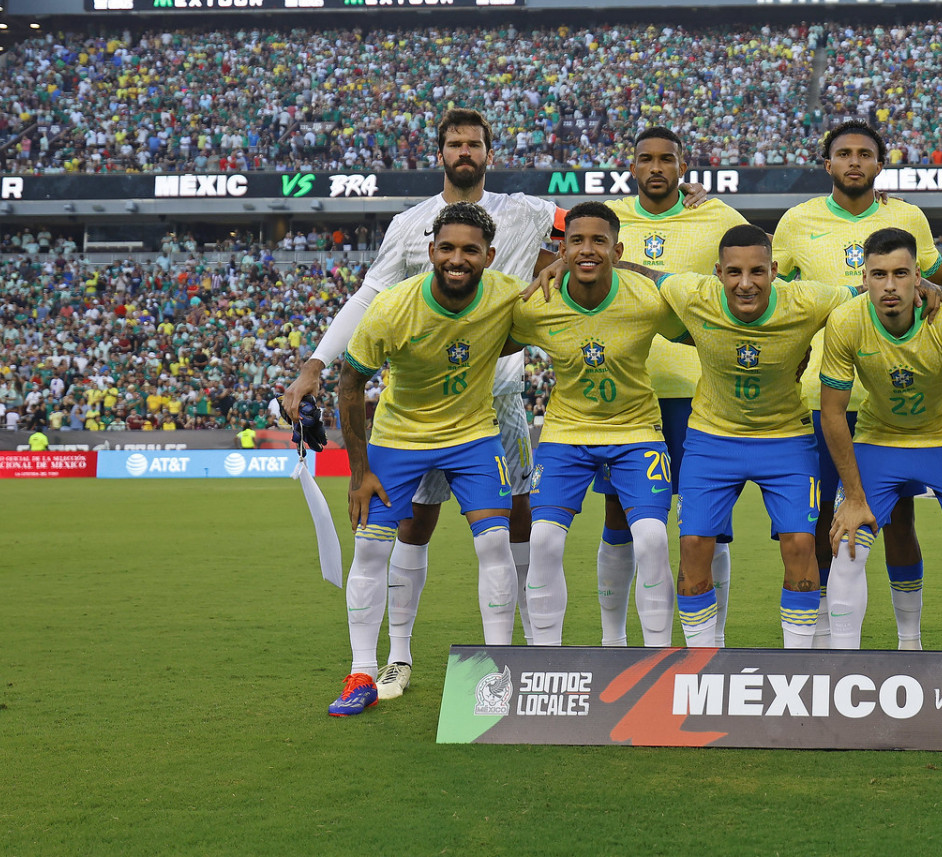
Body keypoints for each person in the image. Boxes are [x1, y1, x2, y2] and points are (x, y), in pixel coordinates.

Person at [283, 108, 560, 702]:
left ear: (489, 152)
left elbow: (596, 228)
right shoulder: (410, 225)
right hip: (419, 403)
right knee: (414, 526)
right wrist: (315, 364)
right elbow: (371, 296)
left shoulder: (529, 211)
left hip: (500, 395)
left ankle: (514, 659)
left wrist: (682, 205)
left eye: (475, 144)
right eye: (455, 143)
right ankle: (398, 659)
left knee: (515, 523)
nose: (466, 151)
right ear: (440, 153)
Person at [327, 202, 526, 717]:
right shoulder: (393, 307)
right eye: (447, 248)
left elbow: (564, 271)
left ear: (489, 256)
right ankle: (361, 674)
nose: (457, 259)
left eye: (470, 250)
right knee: (370, 552)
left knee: (496, 543)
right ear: (431, 249)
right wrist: (359, 471)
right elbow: (350, 383)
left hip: (474, 435)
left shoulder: (505, 295)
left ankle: (497, 675)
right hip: (399, 438)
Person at [773, 121, 942, 647]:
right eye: (843, 154)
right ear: (827, 164)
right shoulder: (797, 222)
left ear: (879, 164)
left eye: (864, 154)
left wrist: (935, 286)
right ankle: (826, 625)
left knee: (899, 519)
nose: (854, 162)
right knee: (831, 510)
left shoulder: (907, 216)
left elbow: (938, 279)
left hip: (894, 396)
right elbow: (776, 297)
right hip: (824, 392)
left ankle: (908, 636)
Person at [506, 202, 685, 647]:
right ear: (561, 251)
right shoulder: (536, 306)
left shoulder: (647, 299)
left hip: (636, 431)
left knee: (651, 540)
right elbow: (482, 341)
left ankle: (656, 661)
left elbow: (709, 330)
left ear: (617, 249)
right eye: (577, 242)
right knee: (543, 539)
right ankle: (543, 662)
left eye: (599, 241)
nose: (588, 250)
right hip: (567, 434)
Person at [820, 227, 942, 650]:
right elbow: (832, 412)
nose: (890, 285)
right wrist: (851, 495)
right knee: (847, 549)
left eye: (901, 274)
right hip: (878, 441)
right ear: (863, 278)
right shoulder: (846, 321)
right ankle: (850, 667)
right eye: (879, 274)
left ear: (918, 275)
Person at [601, 126, 748, 646]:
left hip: (700, 392)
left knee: (708, 520)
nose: (657, 168)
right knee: (619, 517)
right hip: (626, 393)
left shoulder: (719, 216)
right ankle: (614, 643)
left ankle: (714, 641)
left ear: (684, 167)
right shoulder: (607, 216)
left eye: (668, 159)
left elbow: (755, 271)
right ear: (633, 166)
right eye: (647, 159)